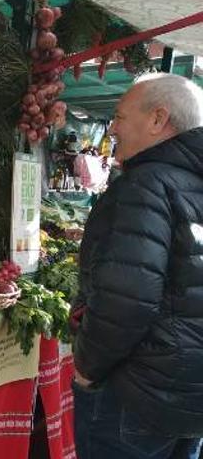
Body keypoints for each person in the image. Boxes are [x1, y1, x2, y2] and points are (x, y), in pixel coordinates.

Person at [71, 73, 203, 459]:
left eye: (120, 117)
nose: (112, 128)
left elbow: (124, 299)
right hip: (190, 396)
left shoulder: (144, 184)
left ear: (158, 119)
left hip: (136, 395)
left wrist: (87, 368)